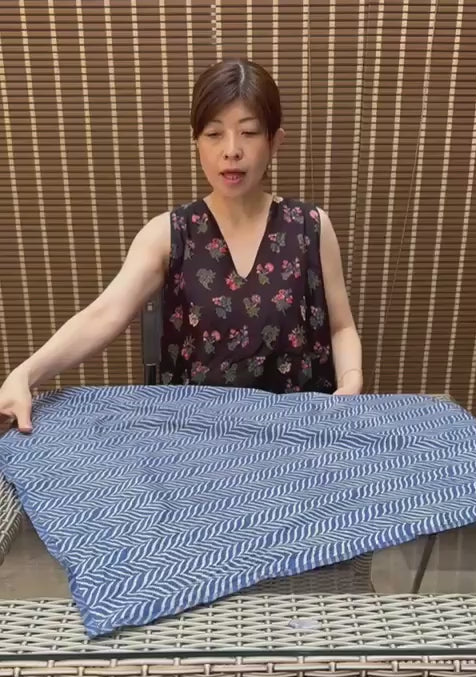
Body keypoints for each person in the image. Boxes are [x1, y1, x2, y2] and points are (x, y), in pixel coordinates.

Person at [0, 58, 362, 434]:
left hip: (299, 431)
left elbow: (341, 328)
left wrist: (350, 383)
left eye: (249, 132)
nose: (232, 150)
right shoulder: (169, 234)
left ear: (275, 141)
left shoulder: (310, 226)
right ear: (197, 143)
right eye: (214, 133)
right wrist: (24, 374)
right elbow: (104, 315)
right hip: (196, 436)